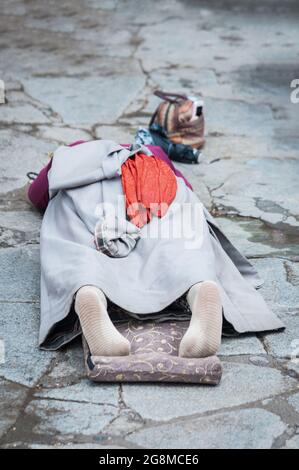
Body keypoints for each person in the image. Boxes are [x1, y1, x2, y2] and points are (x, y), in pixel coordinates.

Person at [28, 139, 284, 360]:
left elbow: (37, 194)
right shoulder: (152, 151)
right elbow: (185, 186)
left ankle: (88, 290)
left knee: (74, 243)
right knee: (178, 240)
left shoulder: (68, 155)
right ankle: (199, 286)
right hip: (153, 180)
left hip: (87, 191)